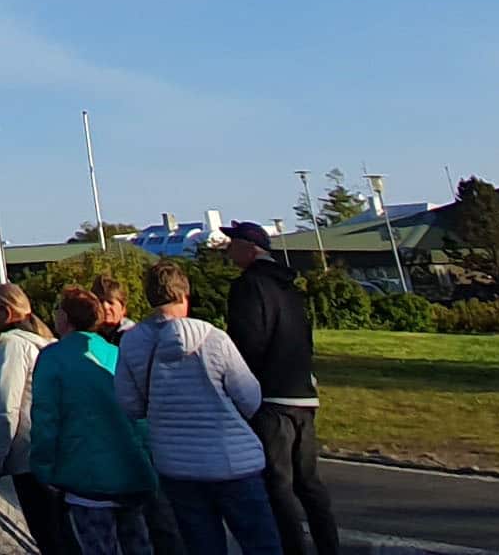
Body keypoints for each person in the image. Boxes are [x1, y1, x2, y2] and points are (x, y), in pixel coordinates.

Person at [120, 262, 276, 555]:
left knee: (202, 545)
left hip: (176, 464)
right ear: (185, 295)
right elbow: (250, 397)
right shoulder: (213, 337)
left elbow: (131, 406)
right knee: (261, 543)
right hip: (232, 460)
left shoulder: (132, 343)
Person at [216, 220, 340, 555]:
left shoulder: (248, 286)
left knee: (278, 484)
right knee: (309, 482)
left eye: (232, 243)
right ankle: (329, 546)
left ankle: (291, 549)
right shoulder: (290, 286)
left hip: (270, 396)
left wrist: (238, 384)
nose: (228, 250)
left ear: (249, 247)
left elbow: (248, 341)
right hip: (302, 391)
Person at [30, 283, 158, 555]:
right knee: (139, 545)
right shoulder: (115, 353)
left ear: (64, 317)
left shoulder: (52, 359)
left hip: (84, 474)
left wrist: (43, 467)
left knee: (97, 547)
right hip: (131, 470)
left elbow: (45, 419)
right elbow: (142, 416)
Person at [0, 283, 64, 555]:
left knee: (46, 532)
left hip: (27, 452)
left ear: (6, 312)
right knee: (62, 530)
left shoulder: (11, 346)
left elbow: (7, 405)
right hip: (54, 446)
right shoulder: (47, 342)